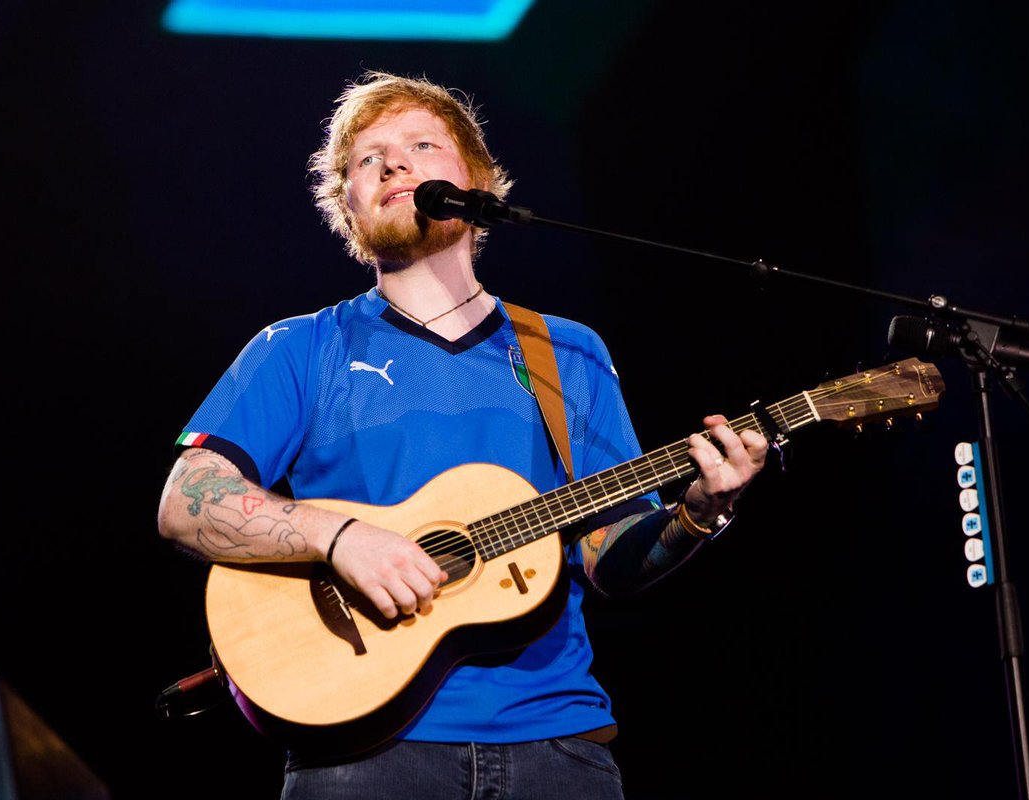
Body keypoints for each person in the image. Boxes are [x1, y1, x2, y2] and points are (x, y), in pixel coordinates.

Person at [157, 70, 768, 799]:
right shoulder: (298, 348)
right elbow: (187, 500)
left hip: (560, 749)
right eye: (366, 159)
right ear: (347, 205)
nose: (392, 163)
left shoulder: (566, 352)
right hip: (361, 755)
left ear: (479, 184)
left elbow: (609, 558)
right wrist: (342, 538)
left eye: (421, 144)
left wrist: (701, 512)